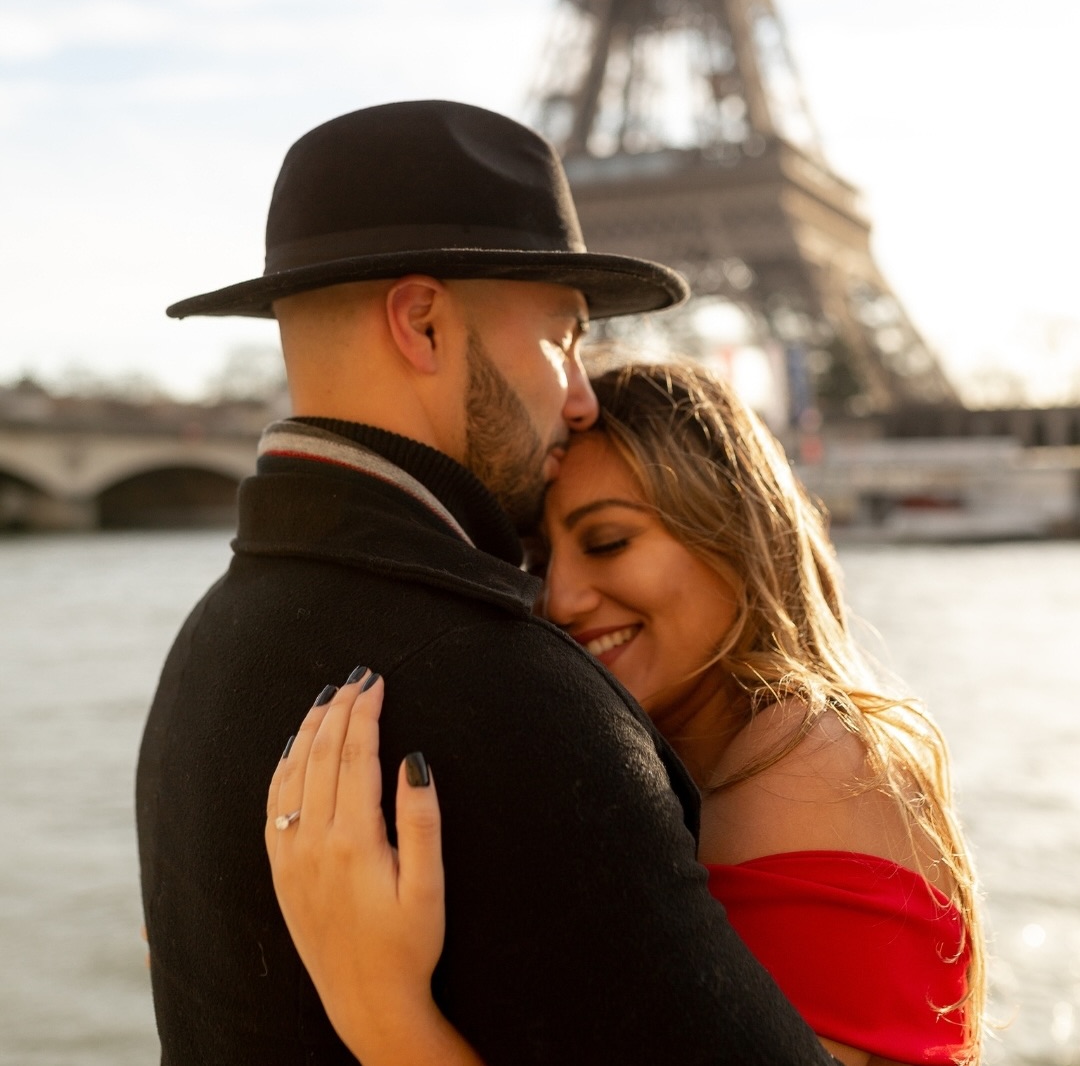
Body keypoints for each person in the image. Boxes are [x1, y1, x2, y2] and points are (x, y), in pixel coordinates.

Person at [136, 100, 834, 1065]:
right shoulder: (511, 699)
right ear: (422, 323)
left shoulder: (204, 651)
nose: (582, 397)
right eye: (564, 337)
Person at [267, 359, 986, 1066]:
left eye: (608, 541)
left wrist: (384, 1016)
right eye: (539, 560)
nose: (562, 597)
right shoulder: (714, 767)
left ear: (737, 533)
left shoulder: (799, 757)